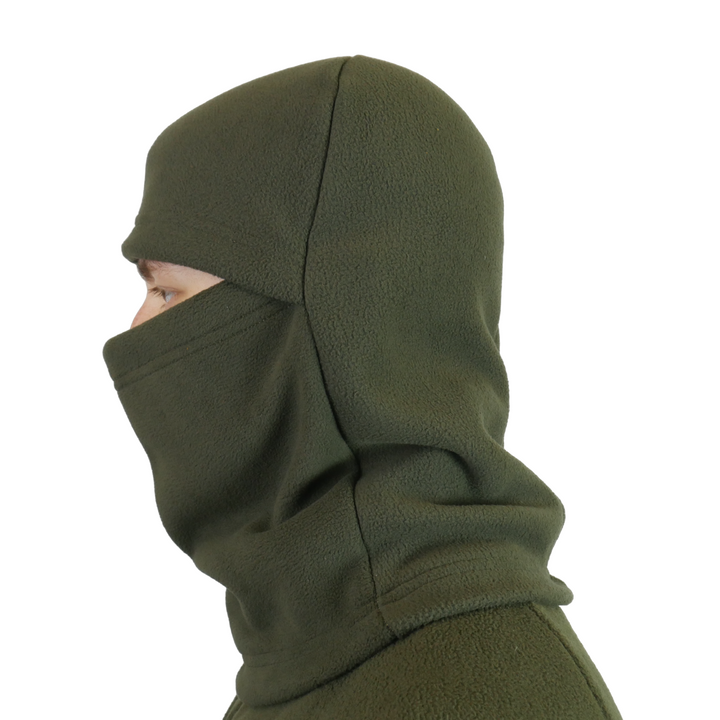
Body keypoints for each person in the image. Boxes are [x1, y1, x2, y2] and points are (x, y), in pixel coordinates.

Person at [103, 55, 623, 719]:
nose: (137, 329)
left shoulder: (485, 695)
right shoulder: (315, 652)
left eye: (167, 291)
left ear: (336, 316)